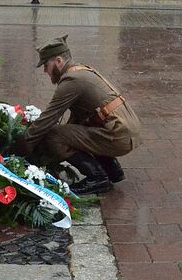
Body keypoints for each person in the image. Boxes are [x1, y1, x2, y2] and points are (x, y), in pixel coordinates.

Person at [16, 35, 140, 195]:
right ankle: (112, 169)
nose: (45, 71)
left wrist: (20, 148)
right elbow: (76, 124)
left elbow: (48, 119)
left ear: (59, 61)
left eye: (46, 65)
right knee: (75, 130)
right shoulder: (81, 71)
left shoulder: (71, 82)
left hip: (119, 135)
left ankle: (98, 178)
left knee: (52, 136)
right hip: (126, 130)